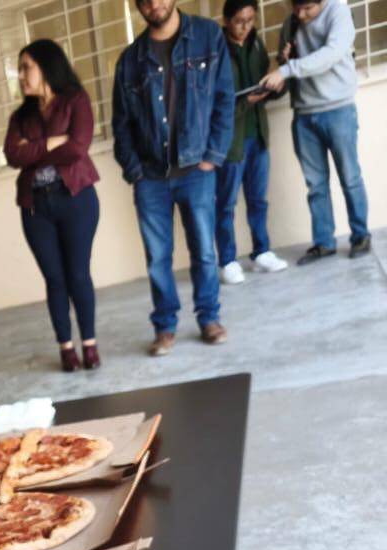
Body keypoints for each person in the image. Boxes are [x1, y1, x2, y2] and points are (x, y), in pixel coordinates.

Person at [113, 0, 234, 357]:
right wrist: (134, 171)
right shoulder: (130, 61)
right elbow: (120, 125)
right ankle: (165, 326)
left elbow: (224, 99)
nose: (155, 4)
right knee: (156, 258)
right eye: (145, 0)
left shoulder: (208, 36)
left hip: (197, 169)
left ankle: (209, 318)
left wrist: (212, 156)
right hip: (150, 177)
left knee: (204, 251)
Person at [4, 39, 102, 373]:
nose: (20, 76)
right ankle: (66, 348)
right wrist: (49, 142)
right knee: (54, 278)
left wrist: (33, 149)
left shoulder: (75, 100)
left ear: (47, 66)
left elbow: (77, 148)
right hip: (35, 207)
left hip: (76, 199)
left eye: (25, 67)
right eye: (20, 69)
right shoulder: (20, 116)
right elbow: (12, 156)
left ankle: (89, 344)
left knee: (77, 274)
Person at [260, 0, 371, 263]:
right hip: (303, 115)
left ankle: (360, 236)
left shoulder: (338, 12)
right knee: (315, 184)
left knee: (350, 177)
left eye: (307, 9)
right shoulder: (291, 23)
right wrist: (284, 62)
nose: (300, 14)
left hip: (338, 110)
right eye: (296, 8)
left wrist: (287, 69)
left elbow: (330, 55)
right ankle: (324, 242)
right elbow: (287, 72)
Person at [215, 0, 289, 286]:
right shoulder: (217, 50)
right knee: (226, 204)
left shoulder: (256, 44)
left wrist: (279, 79)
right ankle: (228, 261)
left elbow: (264, 91)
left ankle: (262, 251)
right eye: (238, 21)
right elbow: (215, 104)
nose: (245, 27)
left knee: (258, 199)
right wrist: (246, 101)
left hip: (257, 134)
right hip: (231, 141)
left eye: (250, 20)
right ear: (226, 20)